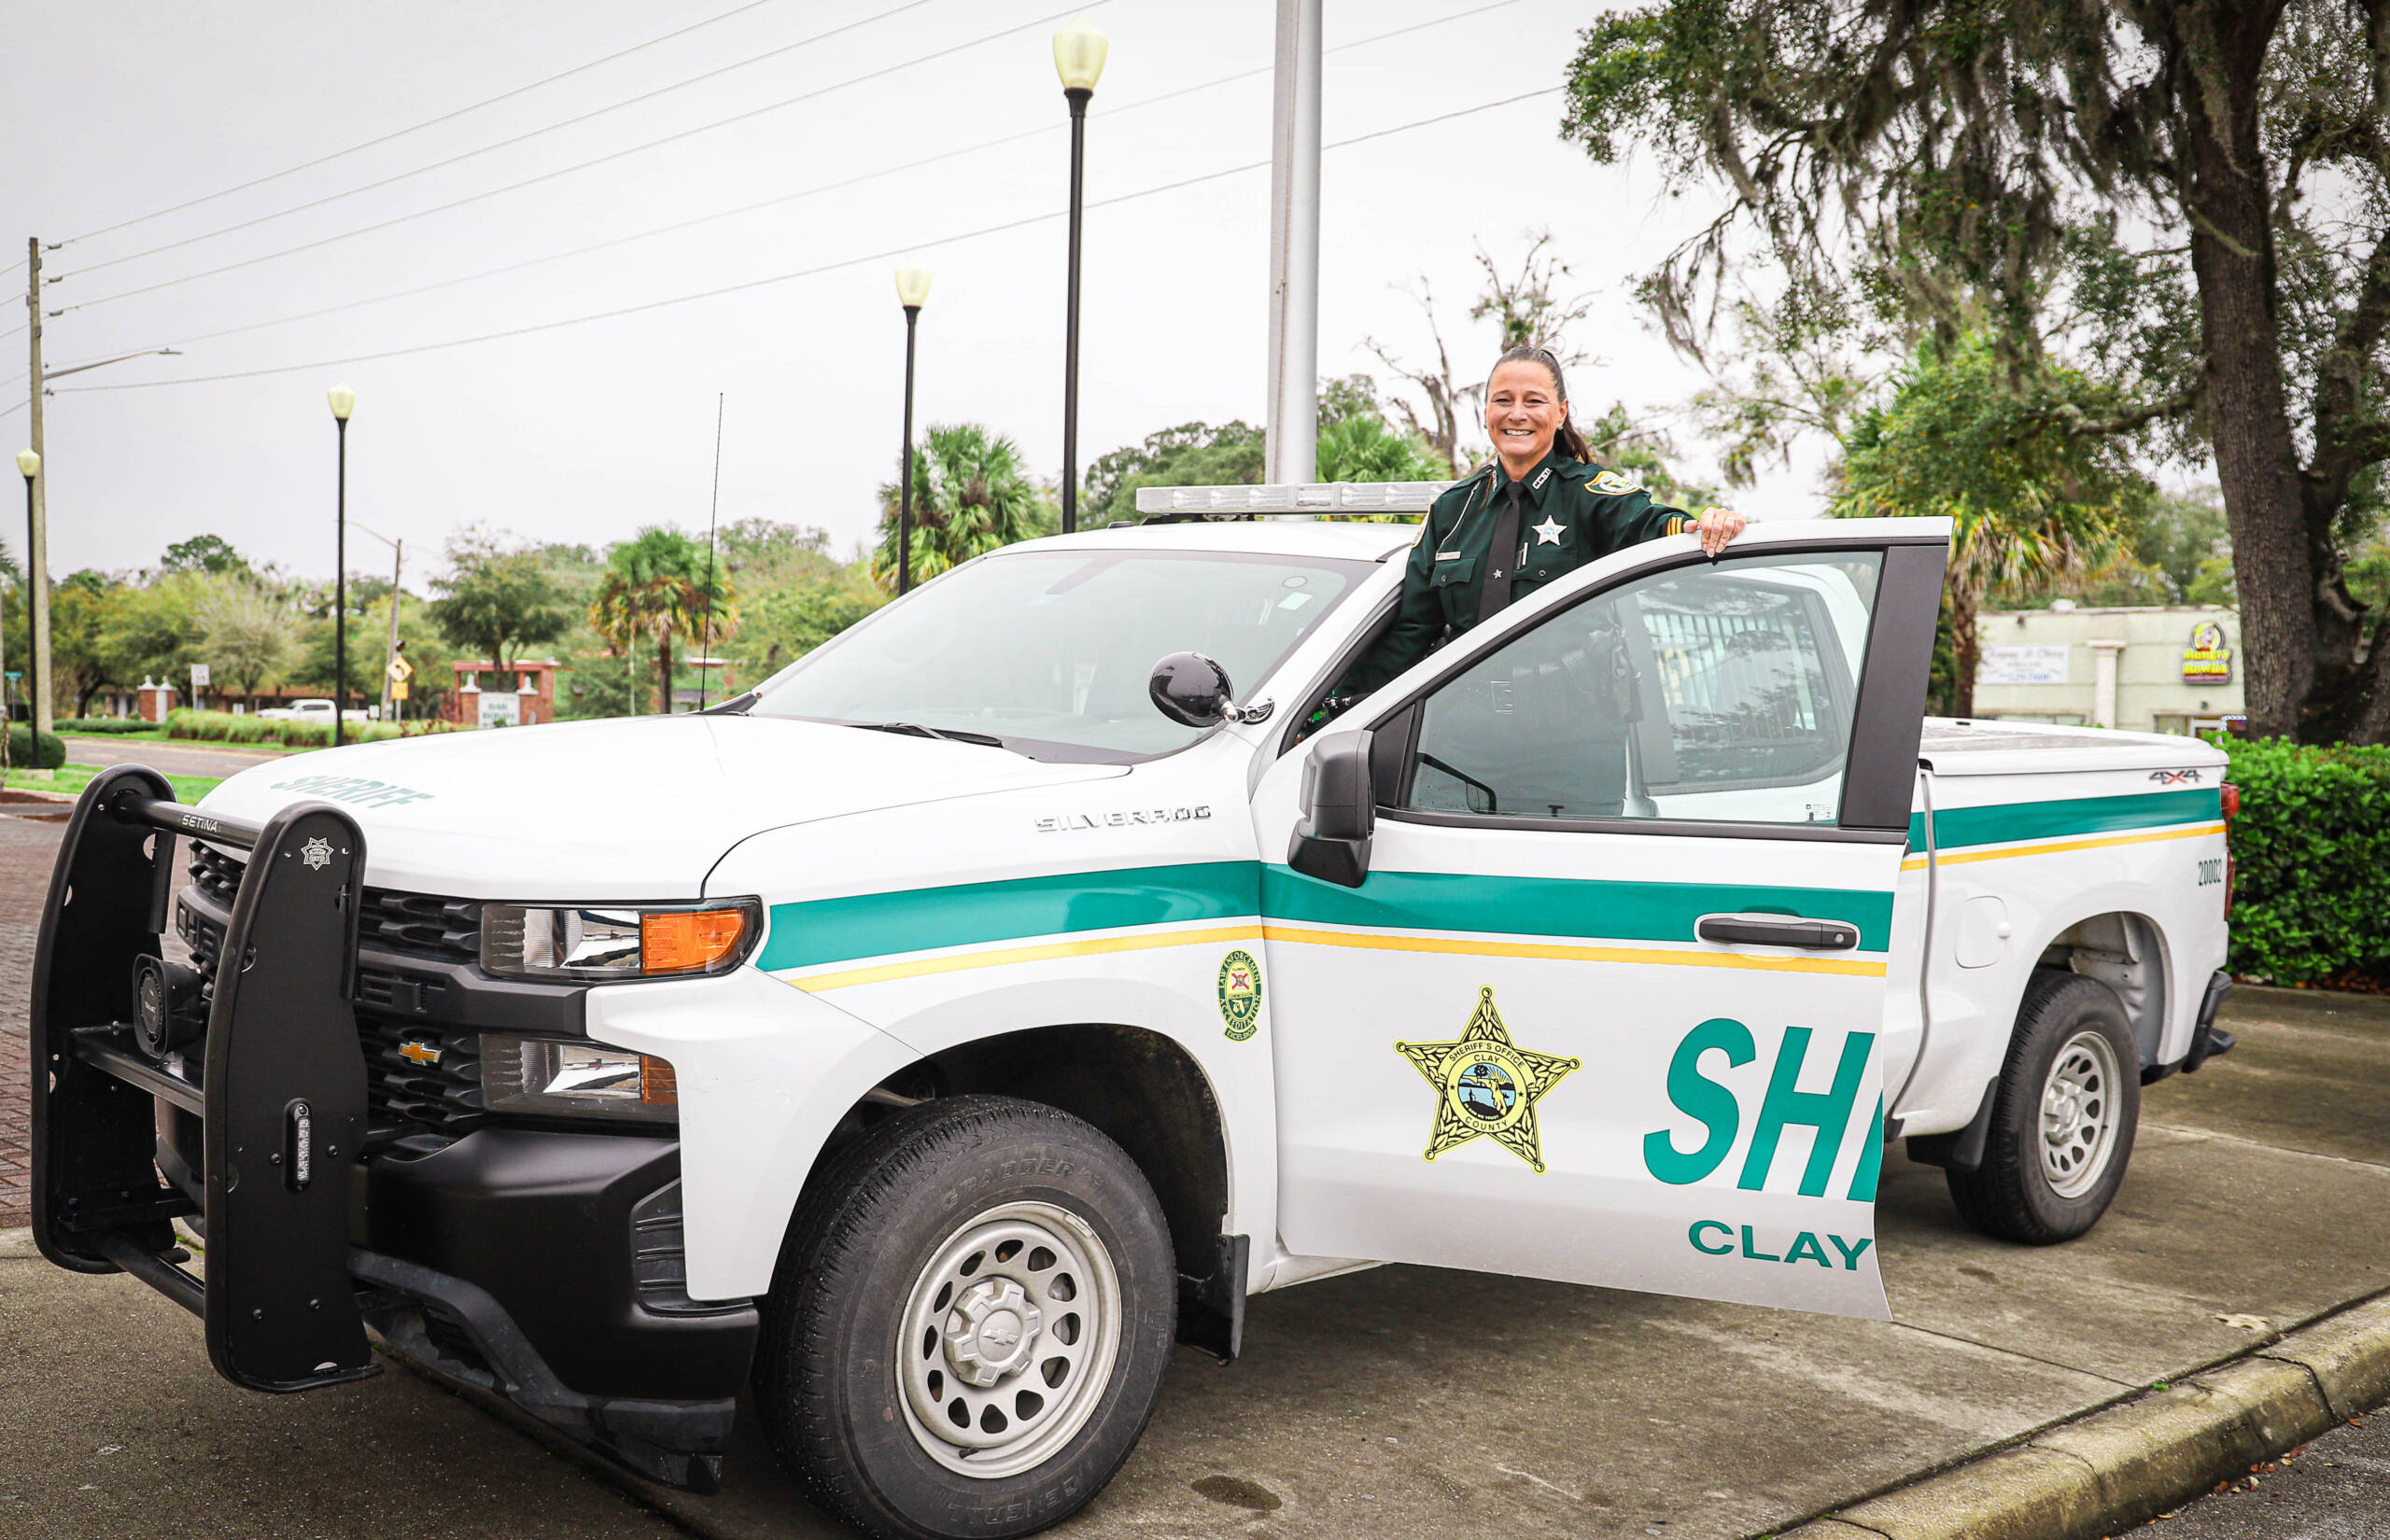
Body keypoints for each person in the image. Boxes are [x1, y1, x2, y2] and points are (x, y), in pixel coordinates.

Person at [1330, 344, 1746, 703]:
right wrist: (1334, 709)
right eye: (1503, 400)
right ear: (1486, 412)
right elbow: (1409, 632)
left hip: (1568, 735)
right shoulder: (1452, 510)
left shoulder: (1589, 496)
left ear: (1561, 412)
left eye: (1534, 401)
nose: (1517, 414)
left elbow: (1658, 528)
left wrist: (1706, 524)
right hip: (1460, 730)